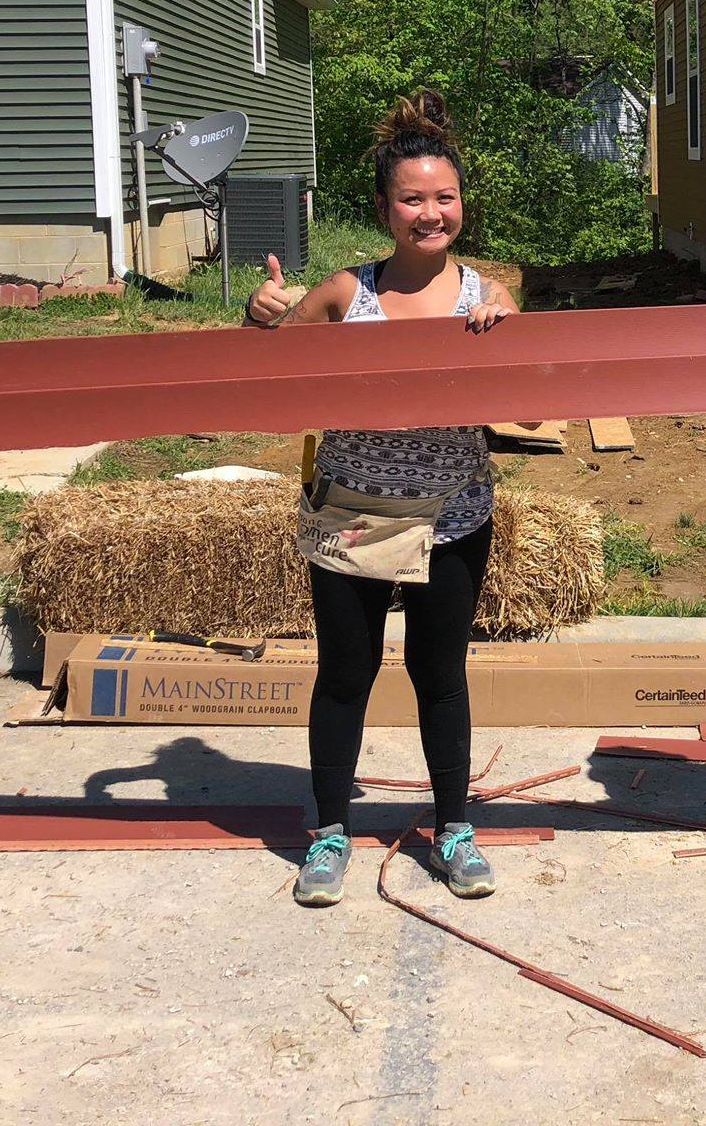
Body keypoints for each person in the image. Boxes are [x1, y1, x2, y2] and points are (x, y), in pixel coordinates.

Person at [243, 91, 518, 909]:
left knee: (441, 676)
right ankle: (328, 834)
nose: (430, 213)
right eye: (412, 199)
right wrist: (261, 317)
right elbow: (269, 383)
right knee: (345, 675)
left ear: (462, 203)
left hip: (453, 517)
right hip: (353, 514)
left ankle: (455, 829)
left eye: (445, 197)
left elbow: (531, 410)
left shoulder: (490, 298)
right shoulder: (341, 294)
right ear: (383, 208)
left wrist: (510, 333)